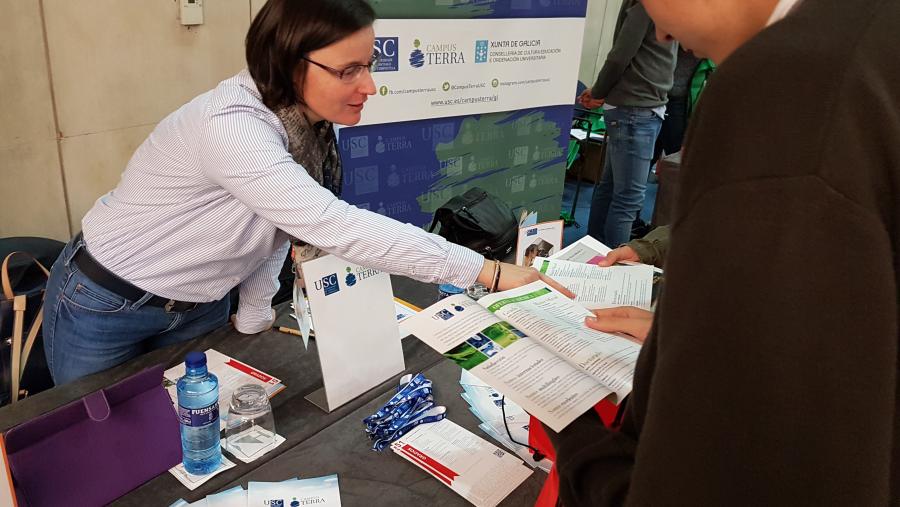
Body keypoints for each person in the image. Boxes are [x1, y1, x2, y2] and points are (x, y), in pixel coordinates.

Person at [42, 0, 571, 386]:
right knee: (93, 444)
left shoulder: (305, 127)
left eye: (370, 65)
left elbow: (271, 229)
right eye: (349, 70)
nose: (369, 86)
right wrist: (488, 271)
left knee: (183, 438)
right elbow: (330, 224)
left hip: (199, 304)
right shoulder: (232, 127)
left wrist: (252, 314)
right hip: (107, 302)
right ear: (288, 61)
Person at [550, 0, 900, 504]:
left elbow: (736, 464)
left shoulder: (783, 85)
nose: (663, 37)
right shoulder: (867, 39)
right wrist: (684, 329)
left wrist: (576, 438)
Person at [581, 0, 677, 248]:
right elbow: (620, 55)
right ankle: (613, 273)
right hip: (637, 109)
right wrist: (601, 91)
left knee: (612, 188)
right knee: (628, 199)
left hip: (636, 107)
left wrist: (601, 90)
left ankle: (594, 255)